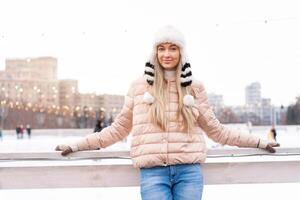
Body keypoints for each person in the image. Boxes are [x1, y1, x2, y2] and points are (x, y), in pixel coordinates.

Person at [56, 26, 279, 200]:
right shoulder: (139, 87)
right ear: (154, 53)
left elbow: (217, 131)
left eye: (173, 48)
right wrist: (76, 146)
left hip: (188, 172)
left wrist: (259, 142)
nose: (167, 54)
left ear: (182, 52)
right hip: (153, 174)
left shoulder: (194, 87)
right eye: (161, 48)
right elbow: (117, 130)